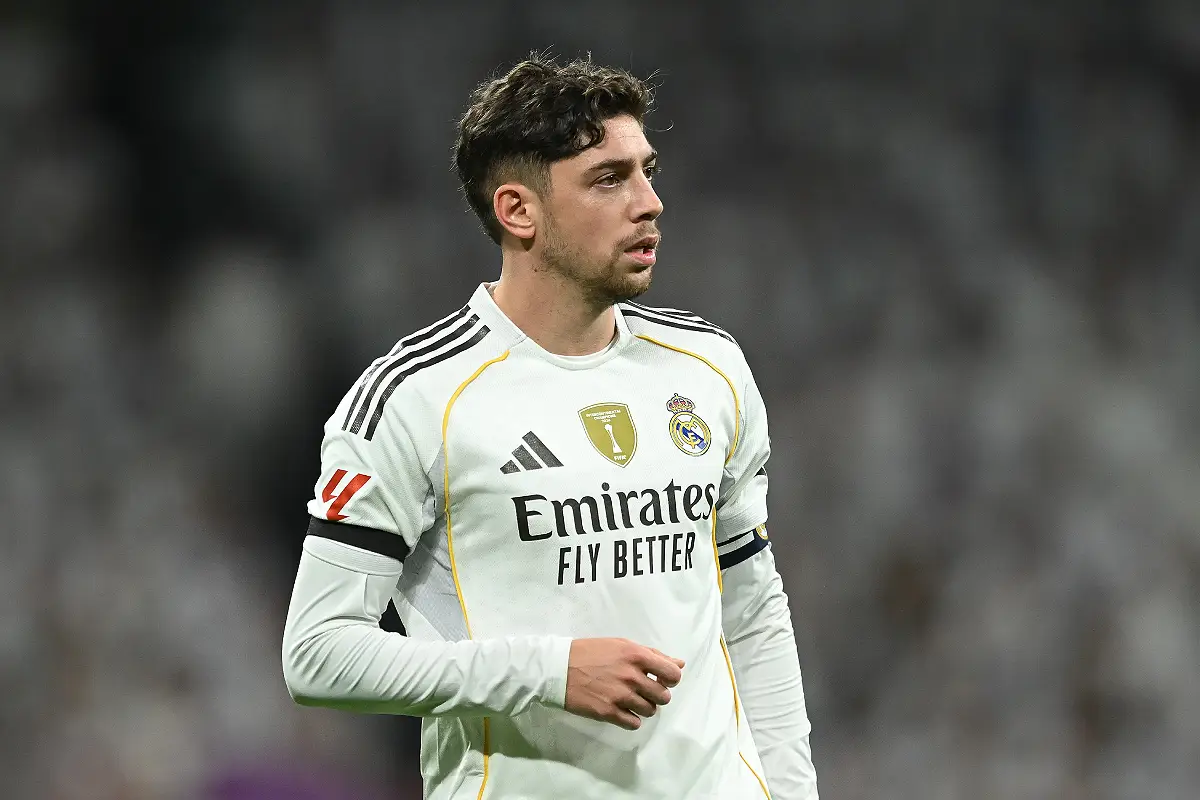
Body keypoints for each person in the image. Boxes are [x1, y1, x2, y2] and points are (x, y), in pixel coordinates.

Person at [282, 54, 819, 800]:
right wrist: (547, 672)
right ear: (518, 212)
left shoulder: (710, 368)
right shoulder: (415, 400)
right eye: (608, 179)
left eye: (647, 171)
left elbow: (753, 611)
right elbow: (317, 655)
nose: (651, 202)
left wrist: (792, 792)